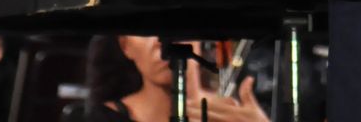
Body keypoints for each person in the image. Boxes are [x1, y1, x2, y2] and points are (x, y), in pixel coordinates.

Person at [84, 35, 268, 122]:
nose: (162, 41)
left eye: (178, 23)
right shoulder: (102, 119)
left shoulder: (235, 115)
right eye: (145, 29)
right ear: (125, 46)